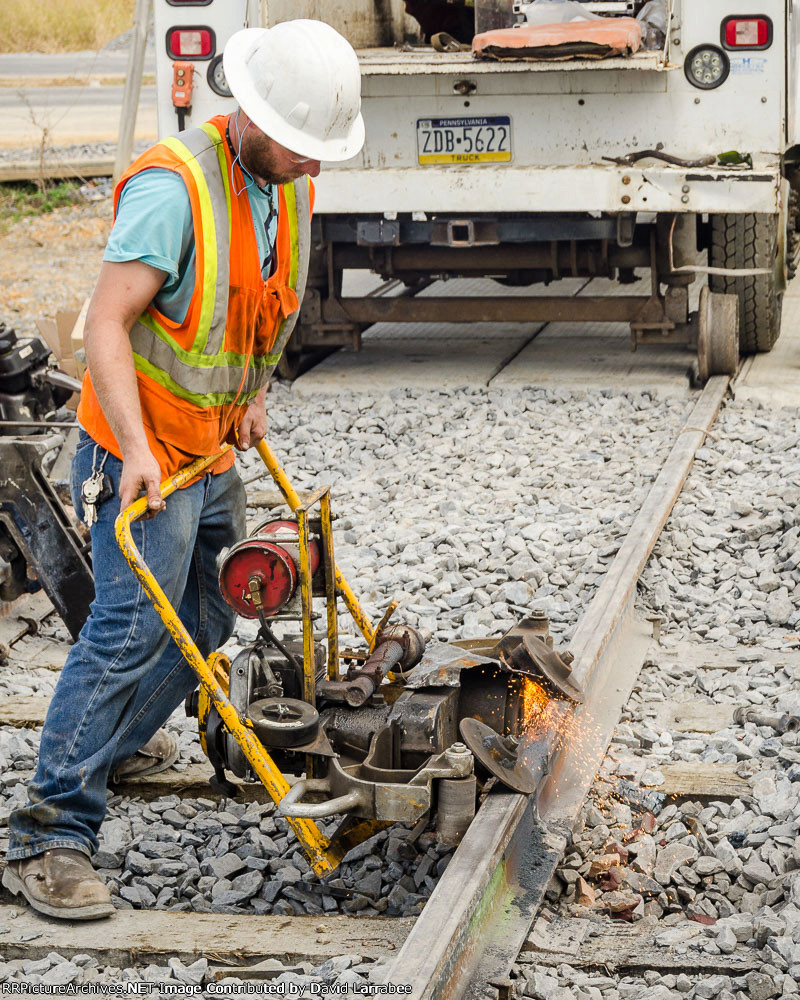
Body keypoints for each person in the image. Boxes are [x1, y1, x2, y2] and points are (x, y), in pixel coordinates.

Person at [3, 19, 364, 921]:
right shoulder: (174, 190)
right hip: (145, 453)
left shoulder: (286, 183)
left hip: (209, 445)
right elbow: (106, 328)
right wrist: (131, 448)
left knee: (210, 612)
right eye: (302, 147)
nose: (313, 167)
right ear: (249, 113)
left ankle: (109, 740)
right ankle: (49, 834)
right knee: (128, 630)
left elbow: (256, 299)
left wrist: (253, 390)